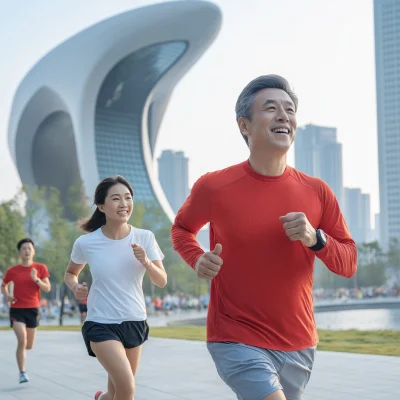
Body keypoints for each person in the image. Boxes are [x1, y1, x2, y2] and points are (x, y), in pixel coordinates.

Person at [171, 75, 357, 400]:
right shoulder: (214, 187)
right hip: (235, 336)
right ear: (244, 125)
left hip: (299, 341)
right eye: (270, 108)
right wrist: (197, 257)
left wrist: (317, 239)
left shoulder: (317, 192)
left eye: (289, 109)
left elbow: (349, 263)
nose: (283, 115)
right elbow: (182, 229)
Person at [64, 175, 167, 400]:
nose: (124, 204)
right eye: (116, 199)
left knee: (116, 392)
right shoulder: (87, 243)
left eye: (128, 198)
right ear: (102, 206)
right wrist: (75, 287)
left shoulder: (145, 237)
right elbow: (71, 273)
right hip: (101, 323)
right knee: (128, 387)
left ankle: (101, 398)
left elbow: (161, 281)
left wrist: (146, 262)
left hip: (135, 321)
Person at [1, 238, 51, 383]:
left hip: (33, 309)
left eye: (29, 248)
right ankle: (22, 372)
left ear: (34, 251)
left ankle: (23, 355)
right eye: (24, 248)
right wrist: (7, 295)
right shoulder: (13, 271)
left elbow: (47, 288)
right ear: (19, 253)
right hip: (17, 310)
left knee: (29, 345)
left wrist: (36, 279)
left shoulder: (40, 268)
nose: (27, 251)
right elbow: (3, 285)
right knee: (22, 340)